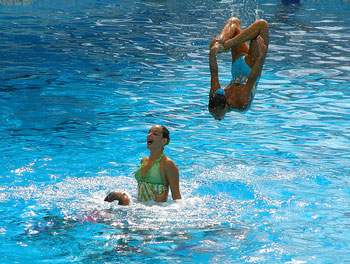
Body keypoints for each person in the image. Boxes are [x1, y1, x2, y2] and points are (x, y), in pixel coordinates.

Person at [209, 17, 269, 120]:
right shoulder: (215, 95)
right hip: (238, 69)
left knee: (261, 25)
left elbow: (252, 78)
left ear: (226, 106)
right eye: (216, 115)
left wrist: (261, 56)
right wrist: (212, 53)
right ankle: (223, 43)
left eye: (216, 115)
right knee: (235, 23)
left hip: (250, 68)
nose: (216, 118)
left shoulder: (241, 104)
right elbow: (214, 72)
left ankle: (223, 42)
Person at [104, 125, 181, 204]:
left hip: (157, 210)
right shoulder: (144, 161)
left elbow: (177, 199)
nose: (149, 135)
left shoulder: (168, 164)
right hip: (139, 207)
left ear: (164, 141)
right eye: (149, 132)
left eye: (155, 134)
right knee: (114, 197)